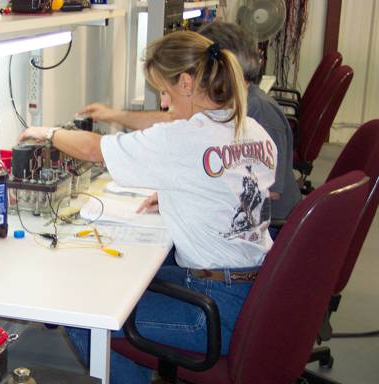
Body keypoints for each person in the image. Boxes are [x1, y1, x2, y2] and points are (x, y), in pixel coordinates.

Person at [19, 30, 276, 383]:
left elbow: (96, 149)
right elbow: (234, 186)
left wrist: (47, 133)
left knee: (81, 313)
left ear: (186, 83)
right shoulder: (254, 129)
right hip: (258, 293)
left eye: (165, 93)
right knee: (127, 283)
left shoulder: (184, 139)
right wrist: (179, 194)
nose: (165, 104)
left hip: (215, 310)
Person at [84, 22, 301, 238]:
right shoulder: (228, 107)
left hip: (272, 230)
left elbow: (267, 192)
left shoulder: (257, 111)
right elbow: (172, 120)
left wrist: (189, 196)